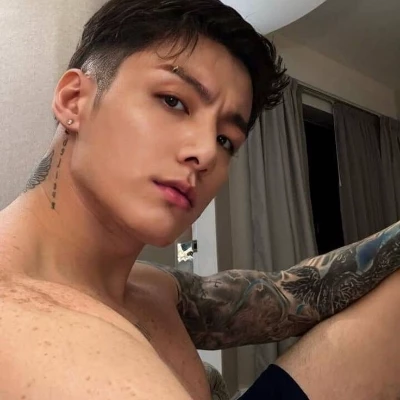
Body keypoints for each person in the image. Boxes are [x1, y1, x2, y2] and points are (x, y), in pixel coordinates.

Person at [1, 0, 400, 399]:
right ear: (74, 100)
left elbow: (298, 292)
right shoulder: (22, 316)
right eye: (173, 101)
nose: (207, 152)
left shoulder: (148, 285)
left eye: (225, 139)